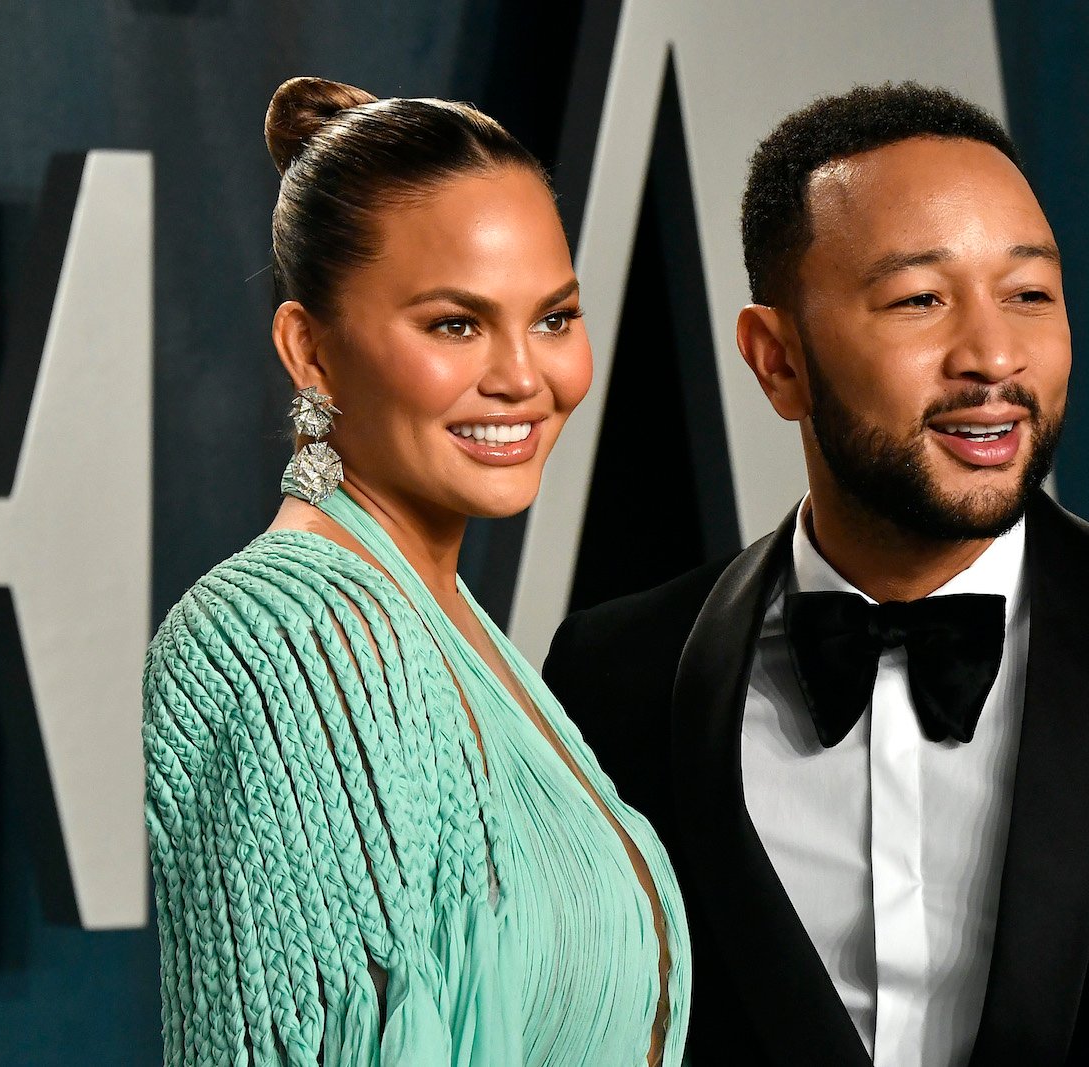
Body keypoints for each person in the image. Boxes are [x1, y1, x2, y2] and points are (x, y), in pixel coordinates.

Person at [541, 82, 1089, 1065]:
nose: (993, 355)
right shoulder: (616, 675)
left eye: (1028, 294)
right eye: (920, 299)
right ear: (776, 360)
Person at [143, 77, 688, 1067]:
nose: (525, 375)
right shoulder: (298, 639)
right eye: (456, 324)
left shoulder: (448, 624)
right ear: (309, 349)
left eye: (555, 317)